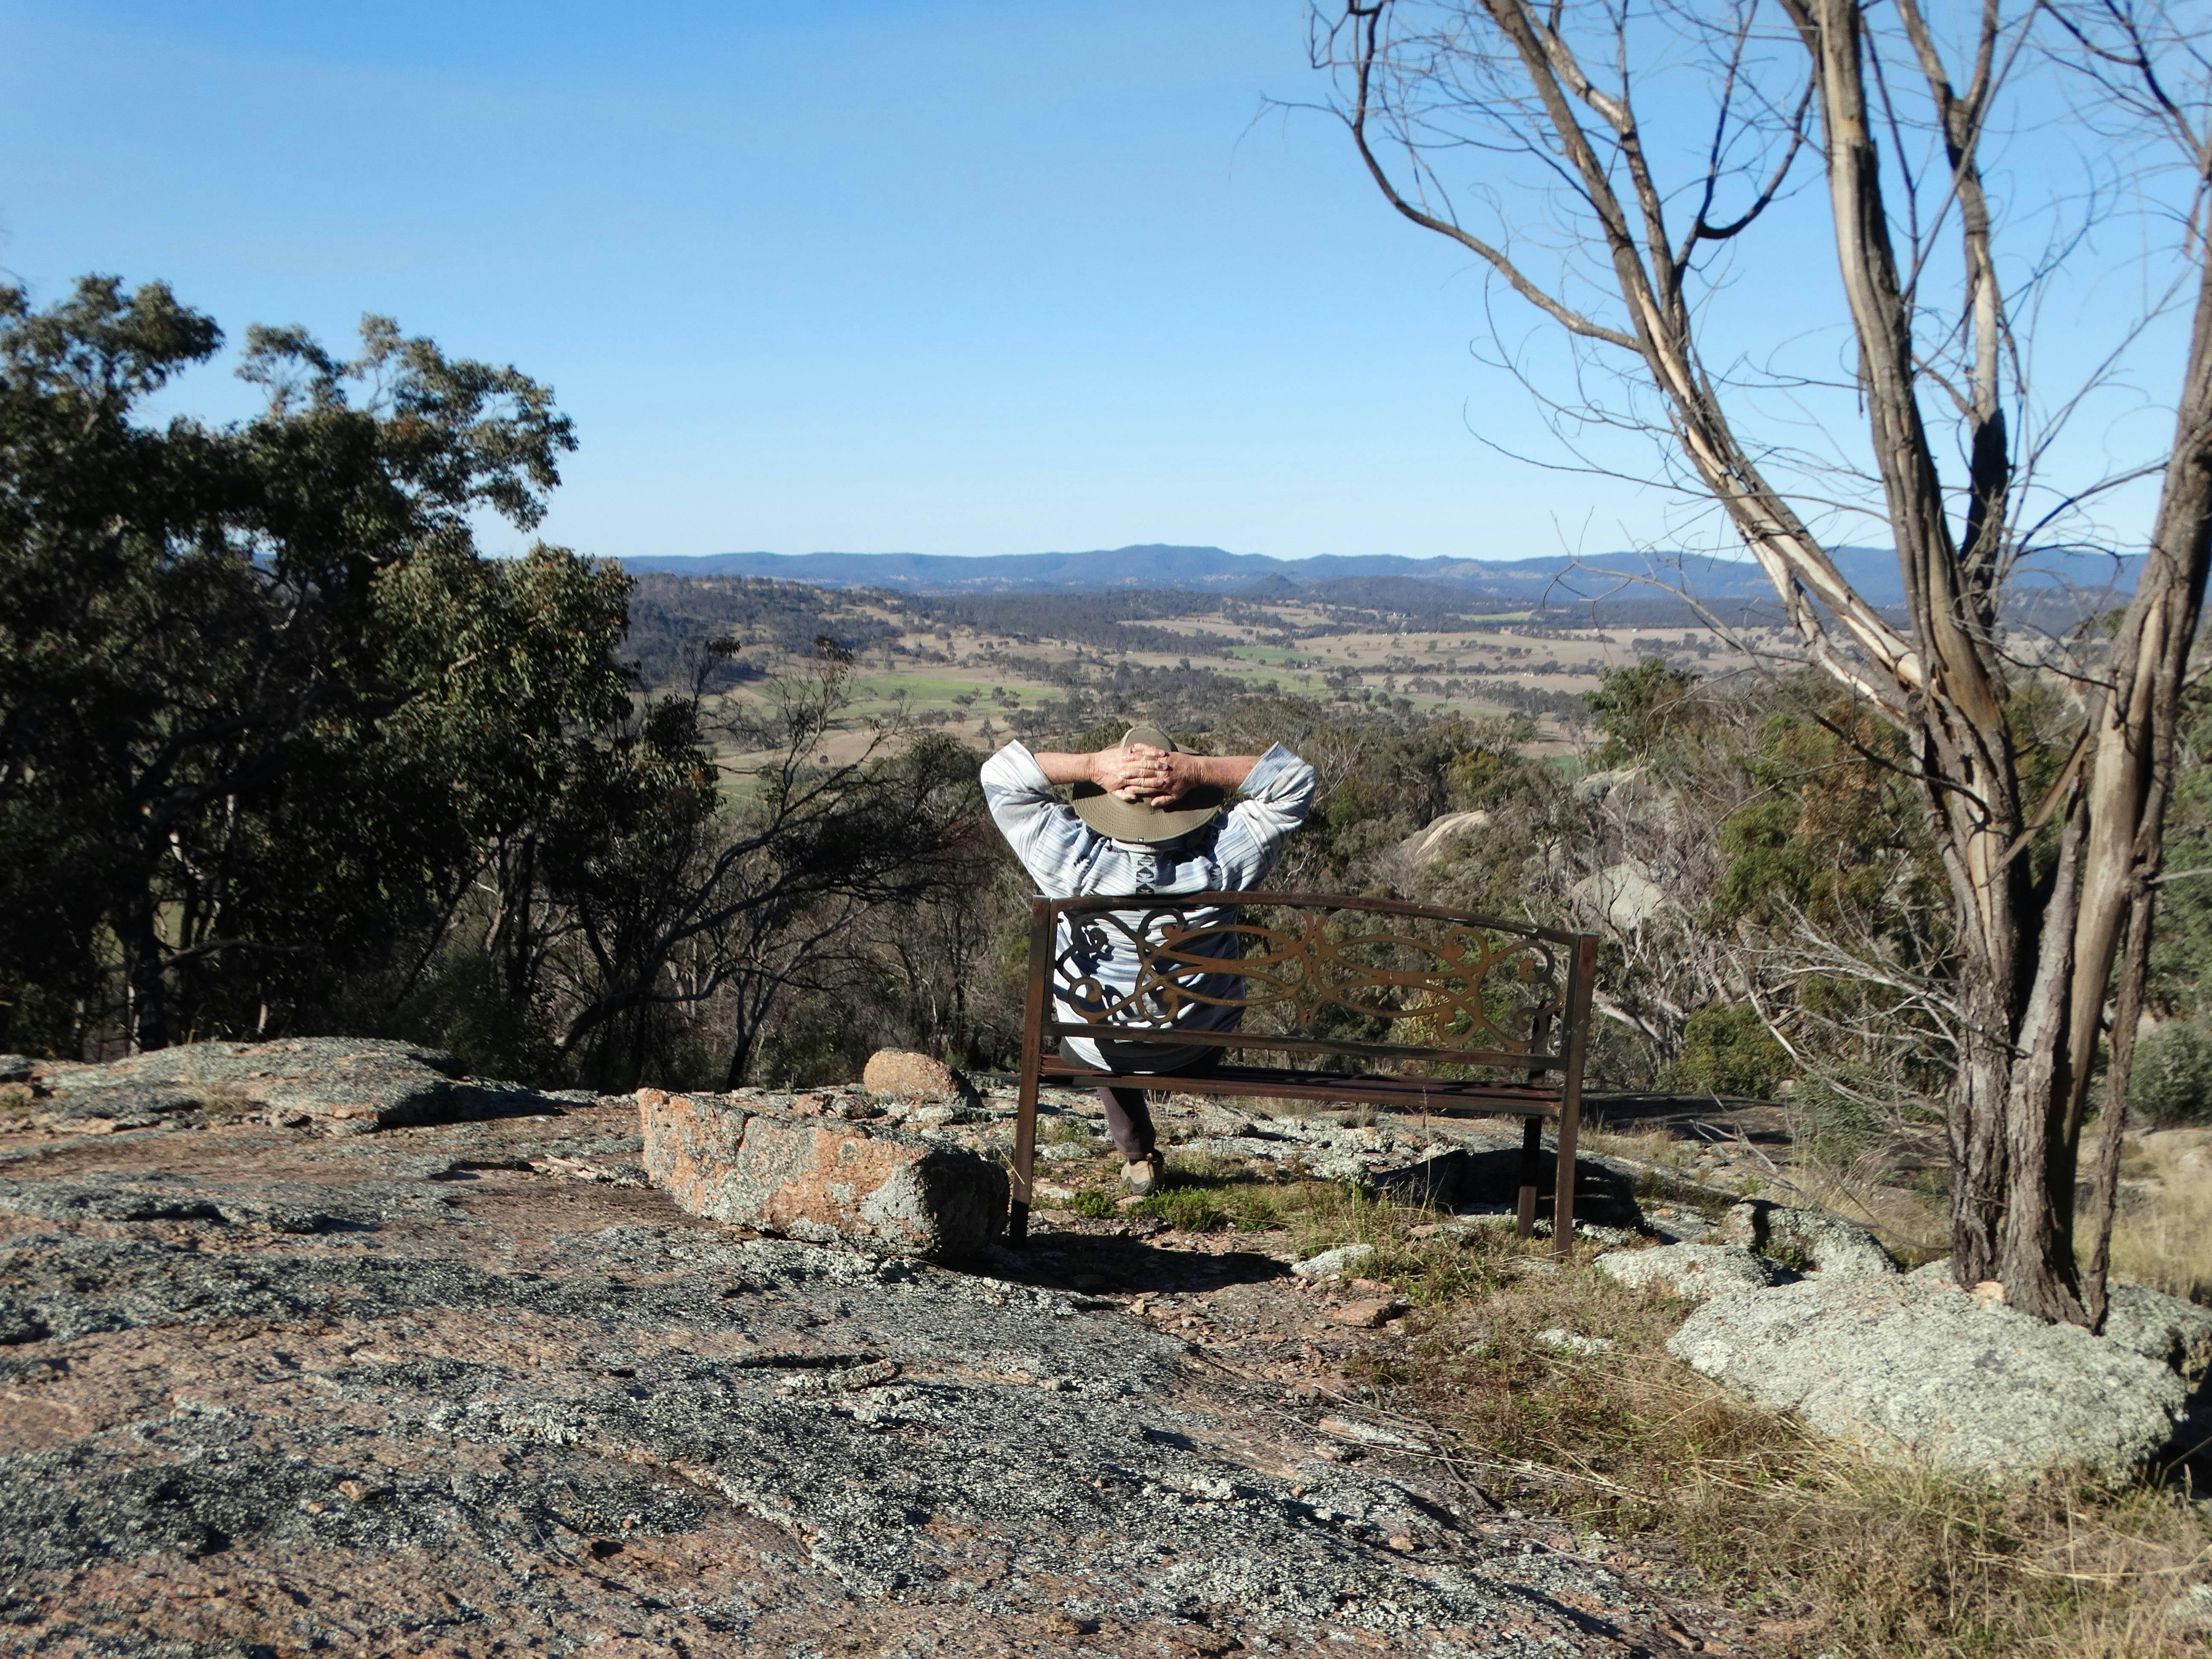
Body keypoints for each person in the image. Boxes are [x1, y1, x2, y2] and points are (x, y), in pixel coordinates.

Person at [980, 724, 1318, 1195]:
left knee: (1097, 1029)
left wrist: (1093, 766)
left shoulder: (1070, 860)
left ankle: (1138, 1154)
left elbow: (1000, 774)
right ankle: (1139, 1151)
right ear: (1184, 797)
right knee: (1134, 1023)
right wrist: (1199, 770)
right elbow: (1296, 780)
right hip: (1195, 1046)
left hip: (1098, 1045)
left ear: (1107, 799)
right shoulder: (1224, 861)